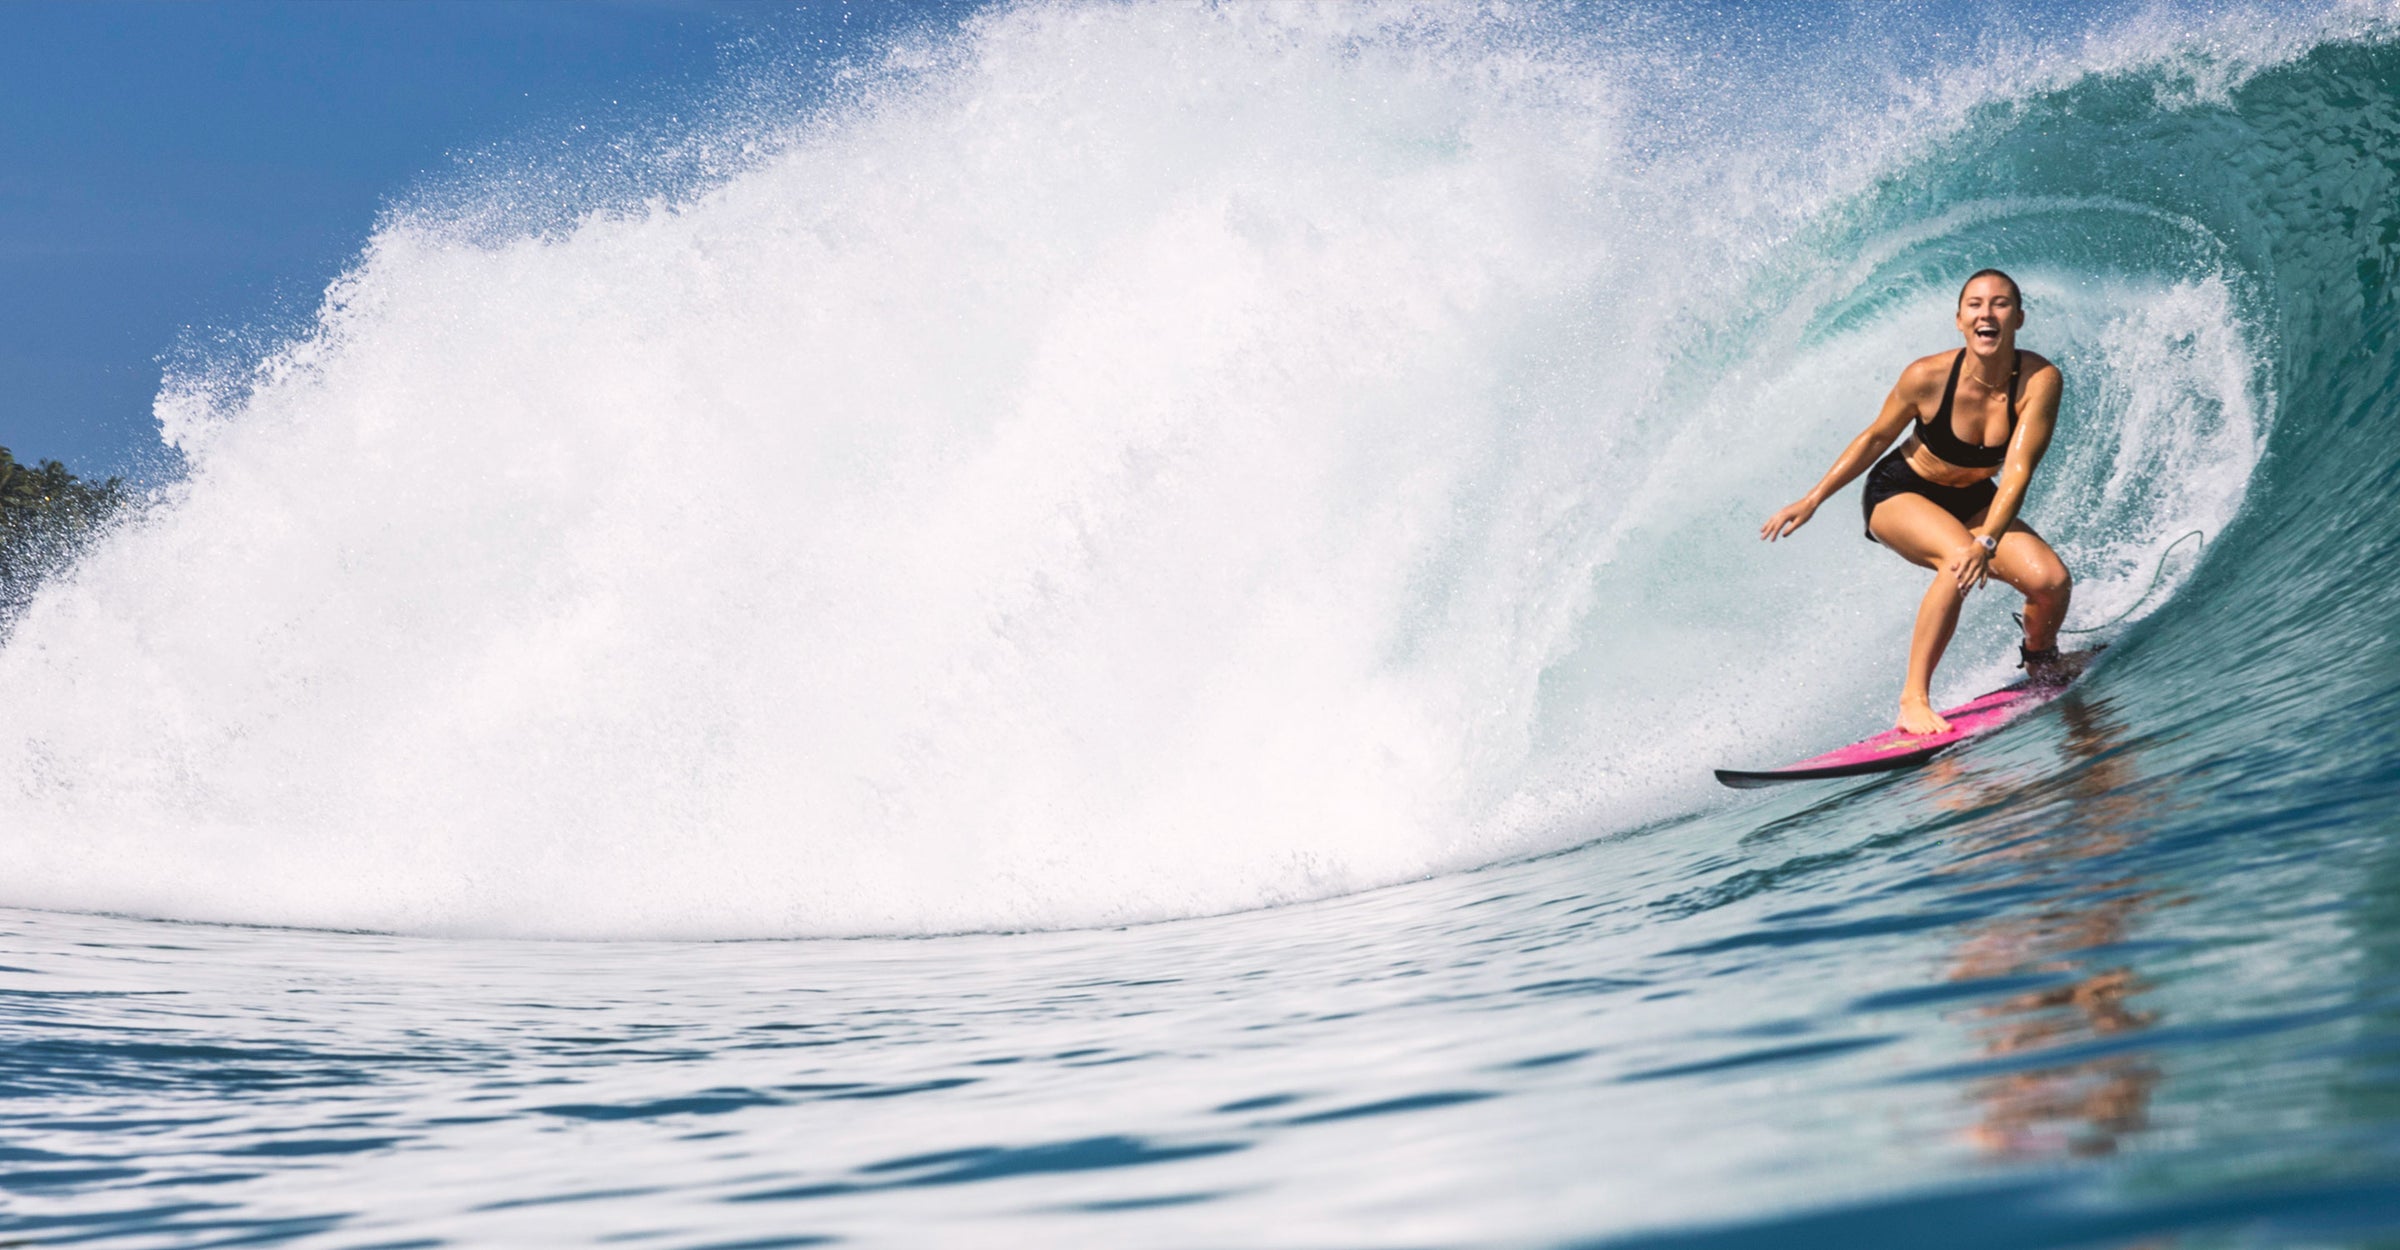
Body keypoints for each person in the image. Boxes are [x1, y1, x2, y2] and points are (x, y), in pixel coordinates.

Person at [1759, 269, 2073, 735]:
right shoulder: (1927, 377)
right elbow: (1875, 437)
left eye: (2001, 303)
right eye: (1975, 304)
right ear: (1959, 320)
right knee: (1955, 562)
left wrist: (1986, 541)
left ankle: (2041, 659)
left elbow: (2019, 470)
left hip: (1975, 499)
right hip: (1901, 491)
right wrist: (1813, 498)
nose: (1987, 313)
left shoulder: (2039, 380)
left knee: (2050, 582)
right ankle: (1912, 701)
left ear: (2019, 318)